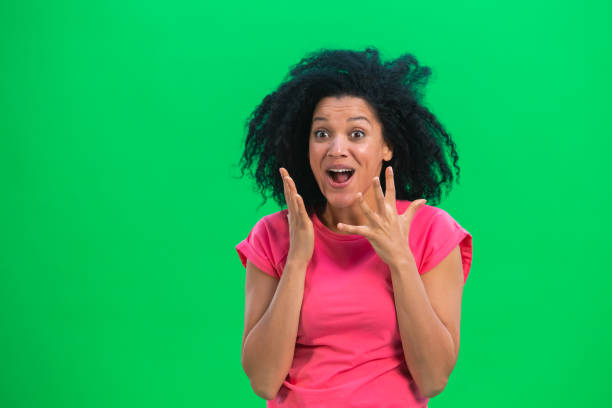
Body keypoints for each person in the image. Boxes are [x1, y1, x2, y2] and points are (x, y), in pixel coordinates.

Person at [235, 47, 473, 407]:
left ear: (387, 145)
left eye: (357, 134)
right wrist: (297, 260)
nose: (336, 148)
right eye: (321, 133)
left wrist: (400, 260)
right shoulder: (272, 236)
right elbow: (265, 382)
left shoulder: (430, 230)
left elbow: (434, 377)